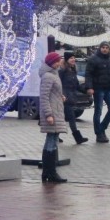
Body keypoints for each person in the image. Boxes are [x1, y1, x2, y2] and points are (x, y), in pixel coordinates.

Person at [38, 51, 67, 183]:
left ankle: (47, 172)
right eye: (56, 61)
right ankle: (51, 172)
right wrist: (49, 114)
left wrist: (60, 97)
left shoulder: (54, 75)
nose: (59, 63)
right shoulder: (48, 76)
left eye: (59, 60)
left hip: (57, 111)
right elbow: (44, 97)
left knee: (53, 142)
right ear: (51, 62)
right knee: (51, 143)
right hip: (52, 114)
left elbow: (52, 93)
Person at [85, 41, 110, 143]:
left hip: (109, 88)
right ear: (100, 48)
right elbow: (88, 74)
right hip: (98, 88)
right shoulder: (93, 59)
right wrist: (89, 87)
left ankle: (102, 128)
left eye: (106, 47)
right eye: (103, 47)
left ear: (109, 49)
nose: (105, 49)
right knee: (98, 111)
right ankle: (99, 134)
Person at [58, 51, 88, 144]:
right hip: (65, 98)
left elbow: (76, 85)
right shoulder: (62, 71)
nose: (73, 60)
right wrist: (62, 95)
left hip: (71, 97)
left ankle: (55, 135)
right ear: (66, 60)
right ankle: (78, 138)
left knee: (63, 118)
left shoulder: (73, 70)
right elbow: (58, 84)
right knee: (70, 117)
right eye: (71, 58)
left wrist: (86, 90)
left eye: (74, 58)